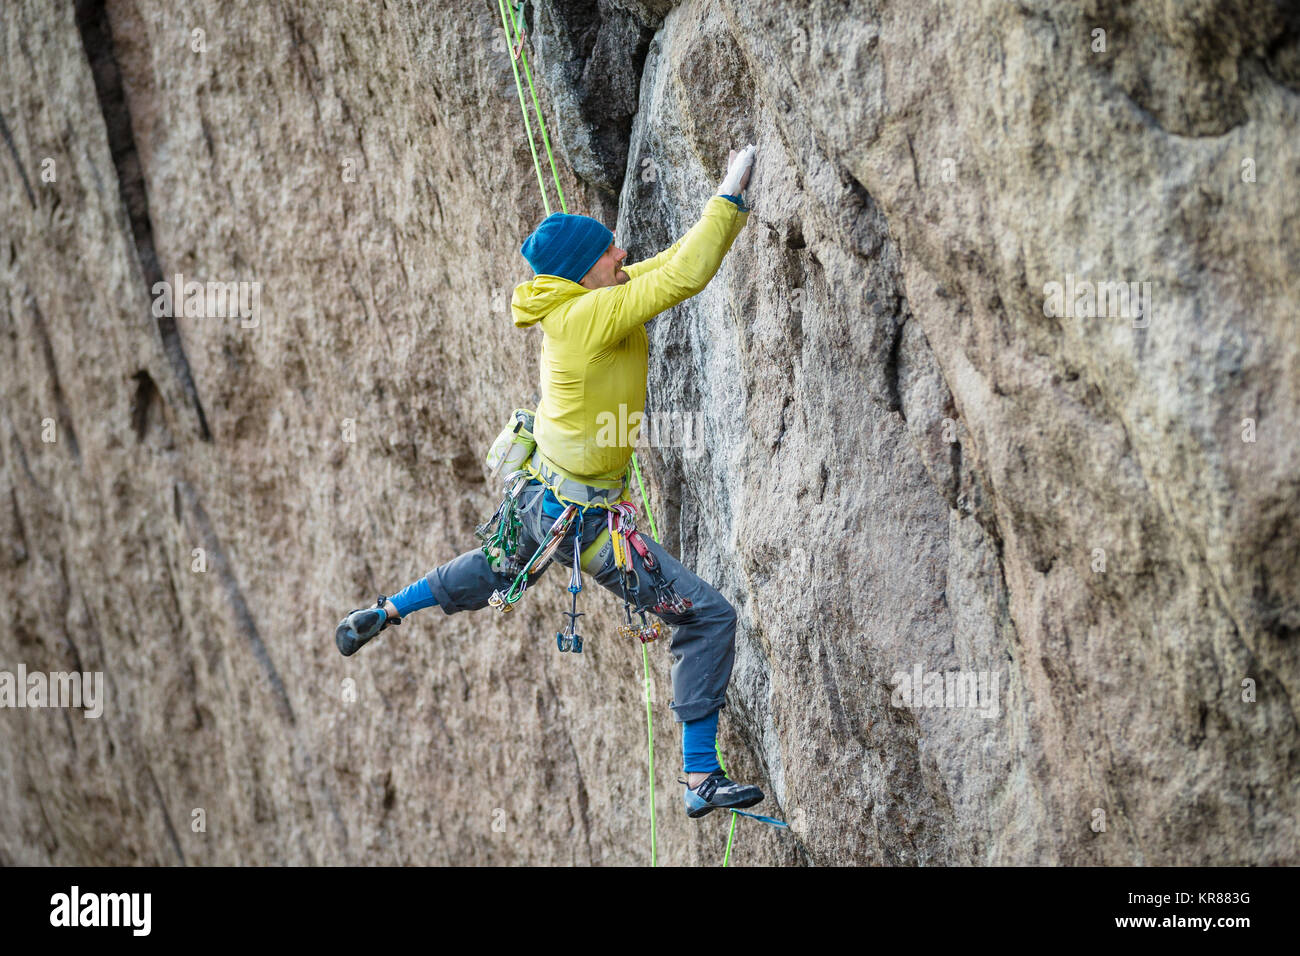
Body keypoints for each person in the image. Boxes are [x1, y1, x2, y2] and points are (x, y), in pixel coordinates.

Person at [336, 145, 764, 819]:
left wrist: (719, 213)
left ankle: (389, 609)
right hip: (585, 524)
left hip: (540, 505)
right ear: (582, 271)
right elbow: (682, 276)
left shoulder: (588, 300)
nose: (622, 252)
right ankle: (699, 778)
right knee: (707, 618)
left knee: (496, 568)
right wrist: (731, 194)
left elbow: (661, 267)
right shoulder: (582, 318)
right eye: (609, 252)